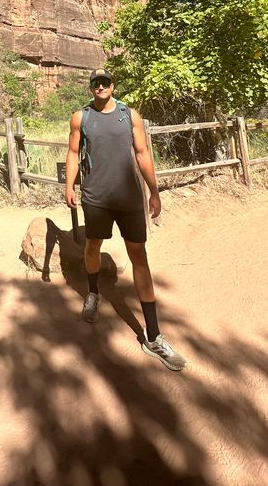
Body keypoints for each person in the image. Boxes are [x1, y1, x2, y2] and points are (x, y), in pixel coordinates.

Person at [65, 67, 187, 371]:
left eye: (105, 82)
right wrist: (69, 185)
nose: (101, 86)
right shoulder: (81, 117)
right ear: (91, 88)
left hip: (129, 198)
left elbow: (144, 153)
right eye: (96, 83)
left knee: (139, 257)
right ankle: (93, 293)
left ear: (112, 85)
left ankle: (154, 336)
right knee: (92, 245)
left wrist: (154, 191)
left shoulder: (128, 114)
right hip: (95, 197)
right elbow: (71, 152)